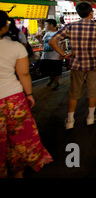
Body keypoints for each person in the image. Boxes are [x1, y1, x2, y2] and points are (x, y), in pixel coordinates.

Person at [0, 10, 53, 178]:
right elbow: (23, 74)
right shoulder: (15, 46)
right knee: (20, 138)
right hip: (13, 98)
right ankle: (18, 173)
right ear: (4, 26)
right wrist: (29, 94)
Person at [49, 2, 96, 130]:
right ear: (90, 12)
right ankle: (90, 118)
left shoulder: (70, 26)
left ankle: (70, 120)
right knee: (93, 91)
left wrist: (64, 54)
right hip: (94, 64)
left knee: (74, 91)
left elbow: (52, 41)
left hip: (76, 64)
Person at [39, 19, 65, 90]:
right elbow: (44, 44)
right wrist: (38, 39)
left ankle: (56, 82)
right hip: (46, 55)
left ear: (51, 25)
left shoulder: (59, 33)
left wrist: (62, 54)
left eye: (46, 24)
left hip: (56, 55)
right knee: (48, 69)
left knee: (57, 70)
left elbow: (63, 44)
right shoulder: (46, 34)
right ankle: (51, 79)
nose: (45, 26)